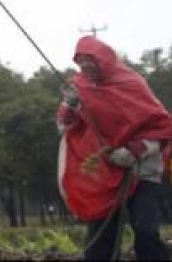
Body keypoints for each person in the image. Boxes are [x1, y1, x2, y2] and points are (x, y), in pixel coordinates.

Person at [56, 35, 172, 261]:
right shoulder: (80, 88)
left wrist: (134, 151)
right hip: (105, 175)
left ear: (105, 60)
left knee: (146, 233)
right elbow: (65, 126)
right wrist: (69, 105)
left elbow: (163, 127)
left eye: (91, 60)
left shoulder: (131, 83)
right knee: (100, 242)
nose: (86, 67)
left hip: (144, 172)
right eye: (81, 62)